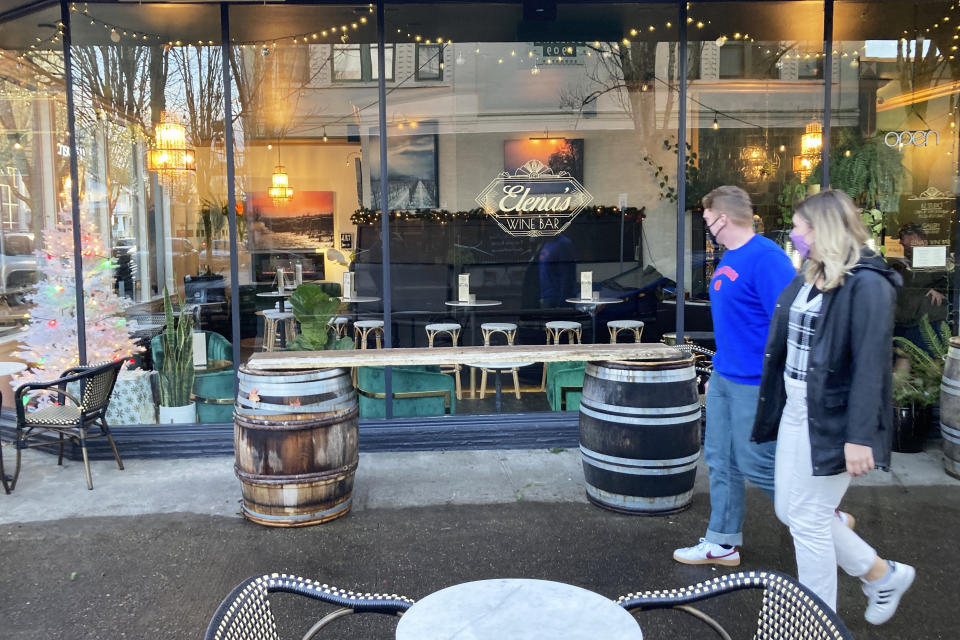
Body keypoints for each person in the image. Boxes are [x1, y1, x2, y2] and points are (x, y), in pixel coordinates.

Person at [752, 189, 914, 623]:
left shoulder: (868, 283)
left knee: (807, 519)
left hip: (834, 419)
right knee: (792, 510)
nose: (795, 235)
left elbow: (871, 366)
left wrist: (859, 437)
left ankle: (815, 623)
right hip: (796, 409)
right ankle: (881, 574)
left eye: (801, 228)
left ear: (823, 229)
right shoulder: (810, 272)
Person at [673, 186, 796, 566]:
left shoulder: (767, 259)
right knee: (719, 458)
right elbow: (735, 323)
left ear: (723, 219)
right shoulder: (731, 257)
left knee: (757, 460)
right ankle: (722, 541)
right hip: (727, 376)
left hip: (755, 382)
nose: (707, 226)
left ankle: (818, 516)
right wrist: (718, 371)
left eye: (708, 220)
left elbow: (789, 322)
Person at [889, 223, 949, 361]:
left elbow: (950, 279)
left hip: (927, 320)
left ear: (916, 236)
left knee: (921, 362)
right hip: (907, 320)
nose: (901, 241)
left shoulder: (936, 257)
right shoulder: (905, 262)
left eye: (903, 237)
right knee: (904, 360)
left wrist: (939, 289)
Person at [538, 234, 576, 308]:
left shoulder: (564, 243)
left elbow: (567, 275)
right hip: (546, 297)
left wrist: (562, 303)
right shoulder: (547, 242)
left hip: (556, 299)